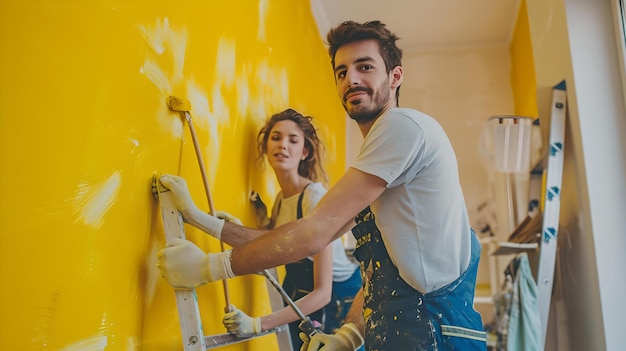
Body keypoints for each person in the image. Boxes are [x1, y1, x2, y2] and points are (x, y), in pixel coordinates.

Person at [157, 20, 487, 351]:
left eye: (365, 66)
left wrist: (209, 267)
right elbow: (381, 279)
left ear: (395, 76)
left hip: (436, 335)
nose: (351, 79)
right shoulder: (383, 168)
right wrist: (348, 336)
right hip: (416, 332)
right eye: (341, 72)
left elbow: (313, 233)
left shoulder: (402, 126)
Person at [222, 108, 362, 350]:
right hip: (301, 286)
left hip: (338, 296)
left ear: (304, 152)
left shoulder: (313, 198)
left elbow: (323, 292)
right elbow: (279, 241)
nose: (283, 145)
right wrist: (253, 221)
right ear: (266, 146)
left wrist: (258, 324)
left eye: (293, 140)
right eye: (276, 137)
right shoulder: (280, 198)